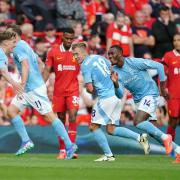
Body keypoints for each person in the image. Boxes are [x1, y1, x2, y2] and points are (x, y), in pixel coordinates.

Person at [4, 24, 77, 159]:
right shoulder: (25, 44)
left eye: (8, 34)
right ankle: (26, 141)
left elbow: (25, 65)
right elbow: (40, 62)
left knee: (49, 116)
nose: (6, 37)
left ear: (14, 35)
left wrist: (24, 83)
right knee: (11, 111)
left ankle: (69, 145)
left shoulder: (18, 47)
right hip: (31, 87)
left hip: (32, 88)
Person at [71, 42, 150, 162]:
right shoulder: (99, 57)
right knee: (111, 129)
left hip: (106, 98)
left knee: (93, 126)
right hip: (117, 95)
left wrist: (83, 85)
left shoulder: (85, 65)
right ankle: (140, 138)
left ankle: (109, 155)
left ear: (83, 51)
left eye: (77, 54)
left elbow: (90, 89)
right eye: (74, 54)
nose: (75, 57)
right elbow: (113, 70)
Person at [108, 44, 180, 163]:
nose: (110, 56)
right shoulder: (115, 72)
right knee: (154, 133)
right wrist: (115, 84)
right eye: (108, 54)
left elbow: (159, 66)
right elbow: (120, 94)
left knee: (138, 121)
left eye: (112, 53)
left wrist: (162, 87)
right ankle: (178, 151)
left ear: (120, 54)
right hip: (138, 100)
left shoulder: (134, 62)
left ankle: (167, 137)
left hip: (150, 93)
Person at [43, 28, 80, 159]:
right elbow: (47, 69)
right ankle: (63, 150)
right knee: (61, 119)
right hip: (58, 91)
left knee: (73, 116)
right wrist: (42, 86)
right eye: (67, 38)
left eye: (71, 38)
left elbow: (86, 65)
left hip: (73, 89)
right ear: (62, 38)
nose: (69, 41)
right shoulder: (53, 51)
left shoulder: (77, 52)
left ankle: (71, 148)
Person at [162, 33, 180, 142]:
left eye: (179, 40)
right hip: (173, 95)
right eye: (175, 40)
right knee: (173, 121)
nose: (177, 42)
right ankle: (170, 147)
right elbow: (162, 74)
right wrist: (163, 89)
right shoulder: (168, 56)